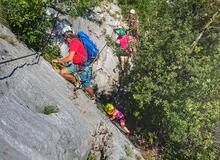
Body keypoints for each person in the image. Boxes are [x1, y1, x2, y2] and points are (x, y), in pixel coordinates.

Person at [52, 28, 95, 100]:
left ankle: (93, 97)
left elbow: (70, 58)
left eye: (65, 37)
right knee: (62, 72)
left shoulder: (74, 42)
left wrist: (58, 61)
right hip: (75, 65)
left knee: (86, 86)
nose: (65, 39)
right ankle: (75, 81)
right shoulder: (75, 41)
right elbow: (71, 56)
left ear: (66, 36)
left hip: (83, 68)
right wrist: (62, 61)